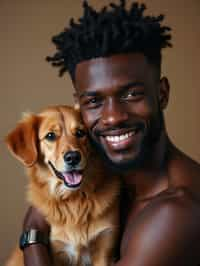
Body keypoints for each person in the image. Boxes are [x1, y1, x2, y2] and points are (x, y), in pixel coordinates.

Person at [22, 1, 200, 265]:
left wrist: (32, 233)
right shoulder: (104, 180)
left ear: (161, 94)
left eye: (131, 94)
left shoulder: (174, 213)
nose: (113, 117)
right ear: (79, 105)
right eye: (94, 101)